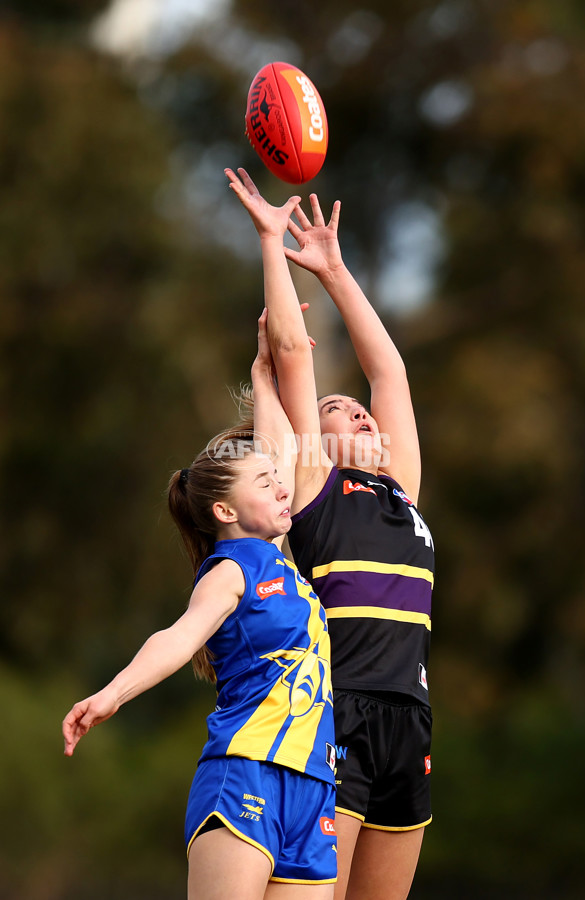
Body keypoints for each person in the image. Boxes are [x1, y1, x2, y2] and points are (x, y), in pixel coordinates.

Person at [62, 310, 338, 900]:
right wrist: (113, 693)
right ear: (225, 512)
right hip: (246, 770)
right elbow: (180, 637)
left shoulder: (279, 559)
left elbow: (278, 450)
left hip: (314, 786)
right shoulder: (233, 569)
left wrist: (264, 377)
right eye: (264, 484)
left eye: (276, 479)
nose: (281, 485)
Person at [226, 168, 434, 900]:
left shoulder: (399, 490)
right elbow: (293, 353)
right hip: (337, 713)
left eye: (358, 407)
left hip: (410, 722)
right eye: (342, 408)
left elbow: (393, 375)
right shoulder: (314, 483)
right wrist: (271, 244)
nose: (362, 411)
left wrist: (339, 273)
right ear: (318, 435)